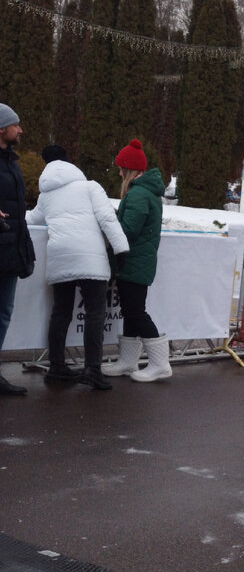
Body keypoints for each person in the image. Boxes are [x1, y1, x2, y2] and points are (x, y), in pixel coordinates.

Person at [25, 145, 128, 390]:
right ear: (70, 162)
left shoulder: (46, 195)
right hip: (90, 257)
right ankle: (92, 368)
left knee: (60, 313)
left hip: (60, 256)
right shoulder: (90, 187)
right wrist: (121, 248)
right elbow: (107, 218)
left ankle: (57, 366)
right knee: (95, 313)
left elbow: (31, 219)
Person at [103, 139, 171, 382]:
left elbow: (129, 229)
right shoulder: (143, 192)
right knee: (130, 312)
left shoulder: (138, 193)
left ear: (129, 170)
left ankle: (160, 363)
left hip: (134, 262)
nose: (119, 171)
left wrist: (109, 222)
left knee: (135, 311)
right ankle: (128, 361)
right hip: (136, 262)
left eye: (121, 168)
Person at [0, 103, 35, 395]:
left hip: (10, 249)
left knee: (3, 312)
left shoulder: (11, 160)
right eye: (16, 124)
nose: (20, 129)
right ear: (2, 129)